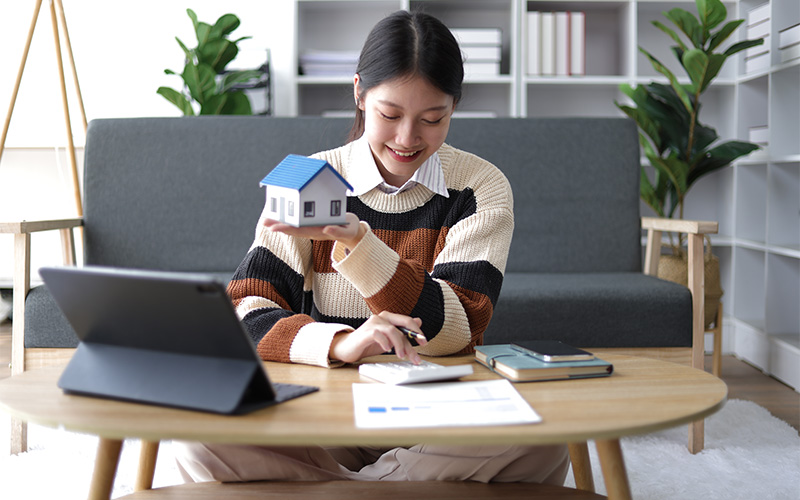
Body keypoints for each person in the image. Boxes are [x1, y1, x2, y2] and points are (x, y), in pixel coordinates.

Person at [175, 10, 569, 485]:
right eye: (389, 115)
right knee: (198, 428)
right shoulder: (308, 178)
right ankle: (390, 488)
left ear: (454, 107)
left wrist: (359, 243)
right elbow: (244, 311)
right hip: (329, 413)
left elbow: (459, 330)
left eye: (432, 118)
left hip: (439, 417)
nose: (408, 139)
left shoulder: (478, 187)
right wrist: (342, 343)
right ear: (359, 92)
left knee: (542, 435)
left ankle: (339, 490)